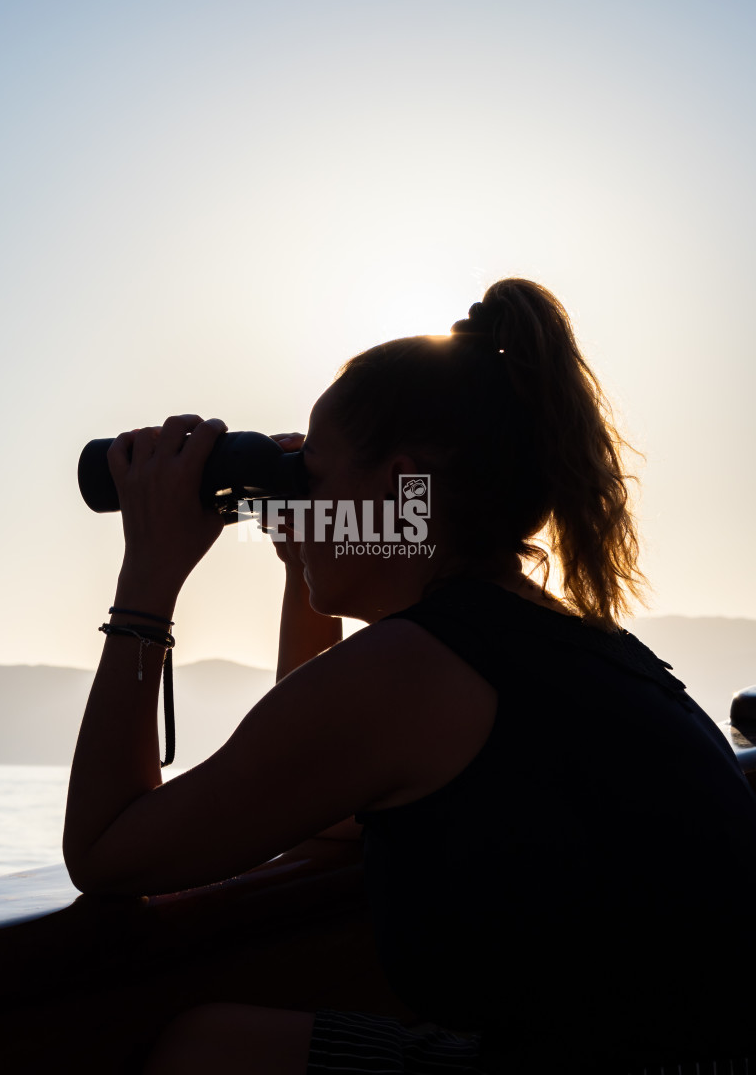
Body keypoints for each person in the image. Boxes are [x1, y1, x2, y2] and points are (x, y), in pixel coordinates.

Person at [63, 279, 756, 1074]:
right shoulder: (547, 637)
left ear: (401, 486)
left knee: (202, 1056)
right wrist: (306, 561)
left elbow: (107, 851)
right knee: (216, 1044)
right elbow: (326, 795)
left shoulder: (410, 673)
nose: (300, 499)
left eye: (312, 477)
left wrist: (148, 575)